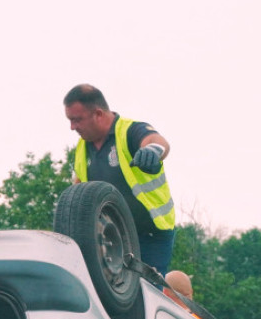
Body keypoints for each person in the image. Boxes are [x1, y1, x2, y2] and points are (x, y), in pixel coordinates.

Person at [63, 84, 176, 274]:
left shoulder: (129, 131)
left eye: (77, 120)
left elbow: (157, 141)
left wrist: (152, 151)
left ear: (98, 114)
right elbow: (79, 189)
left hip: (150, 233)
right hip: (112, 237)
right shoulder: (83, 148)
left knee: (146, 293)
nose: (72, 127)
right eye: (70, 120)